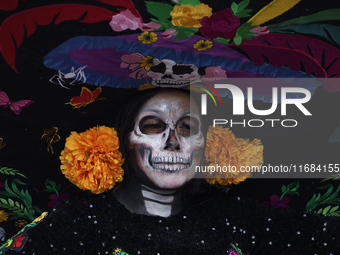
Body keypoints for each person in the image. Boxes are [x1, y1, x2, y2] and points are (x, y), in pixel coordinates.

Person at [1, 88, 340, 255]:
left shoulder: (232, 216)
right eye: (152, 125)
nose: (173, 141)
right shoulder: (72, 224)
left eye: (188, 127)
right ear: (118, 142)